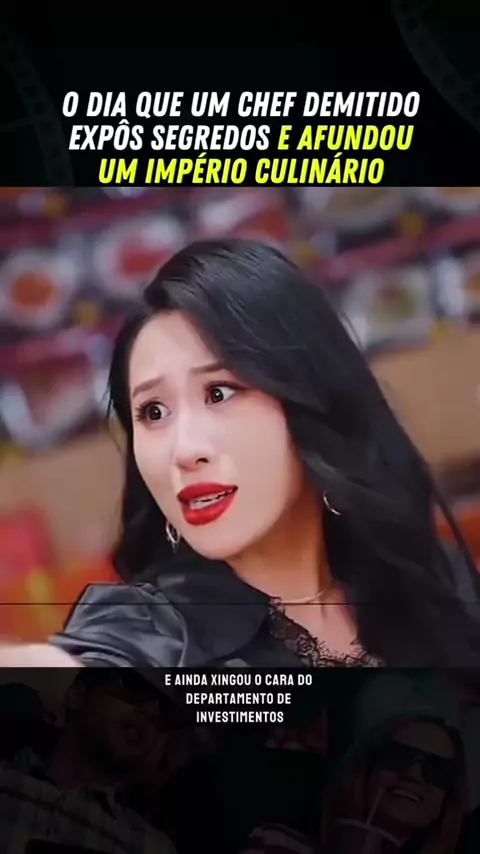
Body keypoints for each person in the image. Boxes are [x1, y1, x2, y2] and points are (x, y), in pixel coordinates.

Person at [1, 238, 480, 668]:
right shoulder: (162, 640)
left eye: (219, 393)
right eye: (153, 412)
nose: (184, 450)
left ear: (307, 395)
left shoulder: (423, 583)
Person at [0, 670, 178, 853]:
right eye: (134, 686)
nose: (151, 712)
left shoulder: (151, 848)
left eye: (165, 711)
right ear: (77, 695)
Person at [241, 712, 466, 854]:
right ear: (366, 771)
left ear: (443, 805)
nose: (413, 774)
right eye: (398, 756)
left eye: (437, 769)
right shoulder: (275, 842)